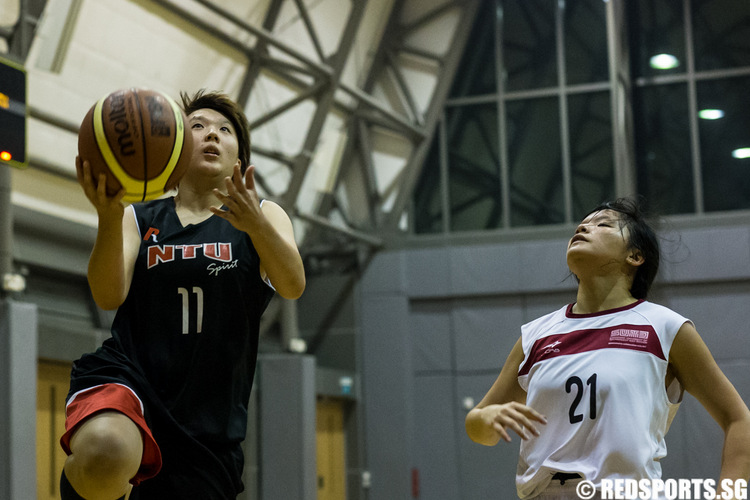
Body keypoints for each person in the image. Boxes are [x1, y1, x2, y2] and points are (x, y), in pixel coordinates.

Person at [59, 90, 306, 500]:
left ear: (238, 160)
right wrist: (108, 216)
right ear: (171, 149)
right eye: (198, 127)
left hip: (209, 420)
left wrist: (257, 227)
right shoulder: (141, 217)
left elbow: (293, 285)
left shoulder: (265, 215)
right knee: (106, 451)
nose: (212, 135)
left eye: (225, 131)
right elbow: (107, 295)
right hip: (132, 381)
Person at [465, 198, 750, 499]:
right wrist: (484, 419)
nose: (584, 227)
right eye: (582, 224)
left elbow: (738, 419)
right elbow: (477, 426)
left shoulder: (664, 326)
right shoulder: (535, 334)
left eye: (603, 224)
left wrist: (729, 495)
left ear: (635, 256)